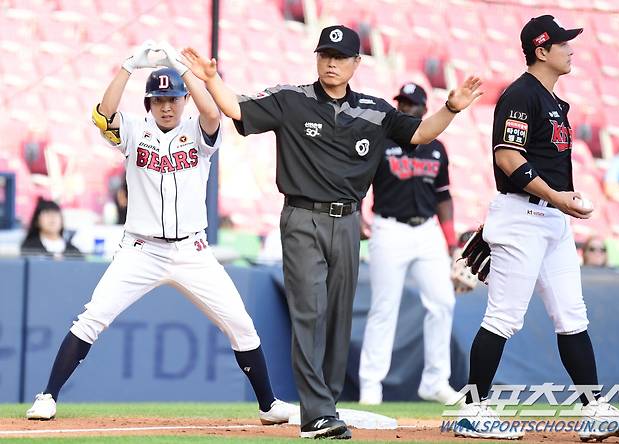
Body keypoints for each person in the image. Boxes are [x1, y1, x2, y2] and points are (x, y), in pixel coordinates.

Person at [181, 25, 482, 439]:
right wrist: (211, 78)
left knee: (339, 319)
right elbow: (236, 109)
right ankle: (316, 414)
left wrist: (451, 107)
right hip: (302, 219)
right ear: (316, 58)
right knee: (309, 311)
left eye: (340, 57)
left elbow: (420, 133)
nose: (331, 63)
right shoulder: (293, 99)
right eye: (325, 55)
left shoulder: (376, 111)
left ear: (357, 63)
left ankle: (327, 402)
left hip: (349, 224)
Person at [26, 41, 296, 425]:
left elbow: (212, 112)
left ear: (183, 100)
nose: (167, 105)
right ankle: (48, 396)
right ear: (148, 103)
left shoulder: (198, 132)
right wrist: (127, 67)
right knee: (92, 317)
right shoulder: (135, 131)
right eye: (159, 99)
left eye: (173, 98)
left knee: (240, 323)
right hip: (140, 250)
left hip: (192, 250)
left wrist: (181, 68)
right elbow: (104, 115)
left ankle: (268, 405)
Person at [454, 16, 619, 441]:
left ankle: (593, 408)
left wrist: (563, 200)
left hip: (550, 219)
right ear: (542, 51)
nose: (571, 48)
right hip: (523, 216)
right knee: (504, 317)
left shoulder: (553, 101)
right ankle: (473, 409)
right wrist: (558, 198)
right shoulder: (521, 94)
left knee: (571, 315)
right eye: (563, 43)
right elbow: (508, 158)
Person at [358, 82, 462, 406]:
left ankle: (435, 381)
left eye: (410, 104)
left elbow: (443, 196)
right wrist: (359, 216)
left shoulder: (436, 147)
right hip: (389, 228)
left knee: (443, 302)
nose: (404, 108)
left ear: (423, 109)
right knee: (384, 308)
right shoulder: (382, 141)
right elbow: (358, 182)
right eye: (401, 102)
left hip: (428, 230)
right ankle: (371, 385)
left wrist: (451, 243)